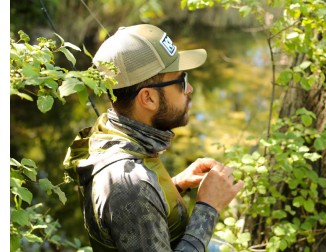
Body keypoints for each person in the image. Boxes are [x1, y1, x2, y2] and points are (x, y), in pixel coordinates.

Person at [63, 24, 244, 252]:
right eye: (182, 81)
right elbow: (131, 198)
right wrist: (208, 208)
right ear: (148, 98)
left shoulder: (112, 131)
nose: (190, 89)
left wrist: (174, 186)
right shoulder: (130, 185)